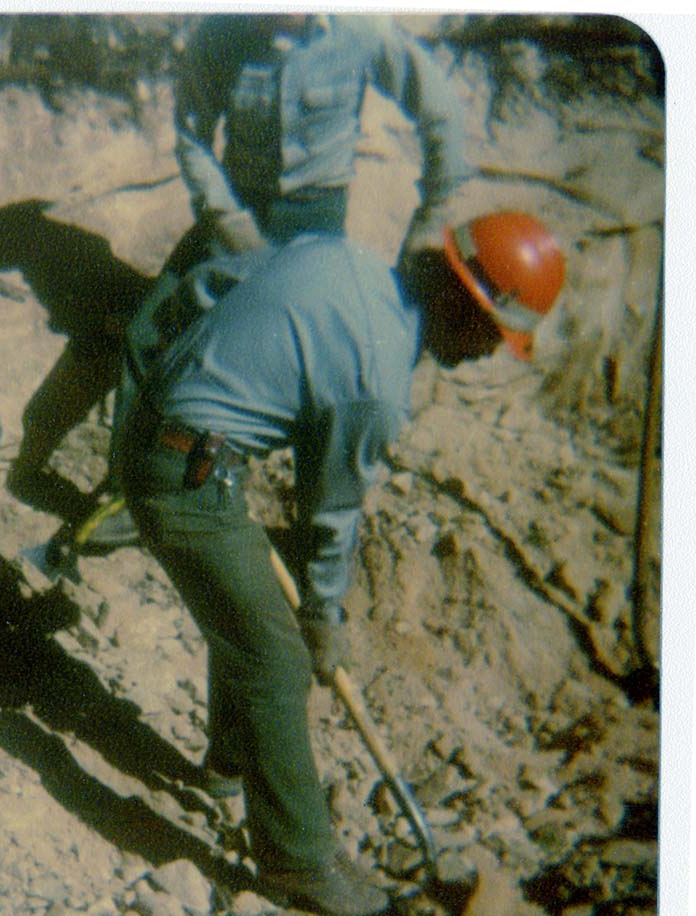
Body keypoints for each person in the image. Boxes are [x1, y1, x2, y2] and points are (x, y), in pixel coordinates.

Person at [113, 211, 565, 916]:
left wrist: (169, 386)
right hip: (184, 473)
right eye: (490, 335)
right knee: (277, 662)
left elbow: (204, 286)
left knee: (253, 607)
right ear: (459, 302)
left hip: (169, 433)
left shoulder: (338, 253)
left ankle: (228, 767)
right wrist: (324, 616)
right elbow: (329, 510)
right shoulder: (377, 383)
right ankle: (296, 863)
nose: (487, 355)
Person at [83, 9, 475, 547]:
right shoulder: (218, 34)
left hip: (316, 224)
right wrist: (233, 228)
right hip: (235, 214)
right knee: (147, 335)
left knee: (332, 371)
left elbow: (443, 118)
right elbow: (192, 140)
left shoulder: (362, 32)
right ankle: (133, 496)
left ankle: (309, 527)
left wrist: (429, 225)